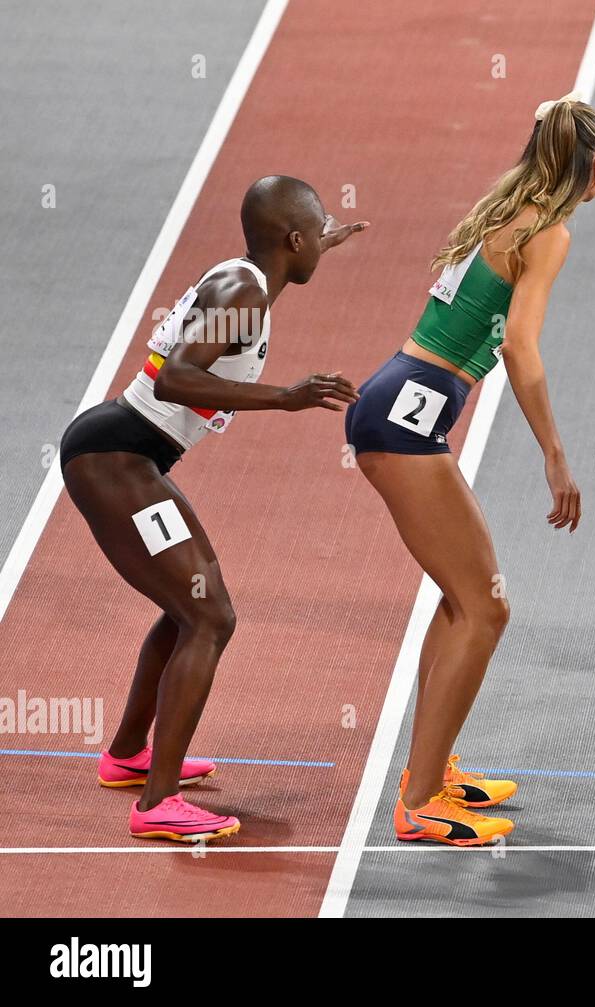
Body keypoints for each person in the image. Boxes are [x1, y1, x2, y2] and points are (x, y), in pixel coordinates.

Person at [61, 175, 366, 840]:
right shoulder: (246, 291)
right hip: (116, 458)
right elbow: (174, 375)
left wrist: (326, 241)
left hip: (131, 457)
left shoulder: (252, 278)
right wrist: (286, 397)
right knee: (211, 614)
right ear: (292, 239)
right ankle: (158, 804)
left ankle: (128, 758)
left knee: (190, 606)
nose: (322, 239)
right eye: (316, 232)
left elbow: (279, 263)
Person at [344, 94, 595, 845]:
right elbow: (521, 347)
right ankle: (420, 800)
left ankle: (428, 766)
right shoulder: (548, 232)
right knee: (485, 606)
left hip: (397, 400)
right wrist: (555, 454)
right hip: (406, 415)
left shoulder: (507, 206)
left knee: (463, 598)